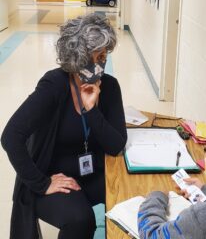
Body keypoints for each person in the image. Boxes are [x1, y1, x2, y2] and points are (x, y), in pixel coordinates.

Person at [1, 13, 127, 239]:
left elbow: (116, 144)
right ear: (77, 57)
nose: (100, 64)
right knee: (81, 220)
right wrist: (42, 183)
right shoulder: (54, 85)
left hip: (92, 172)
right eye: (95, 56)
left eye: (104, 56)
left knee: (128, 194)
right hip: (53, 175)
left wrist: (92, 111)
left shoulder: (110, 87)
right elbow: (11, 136)